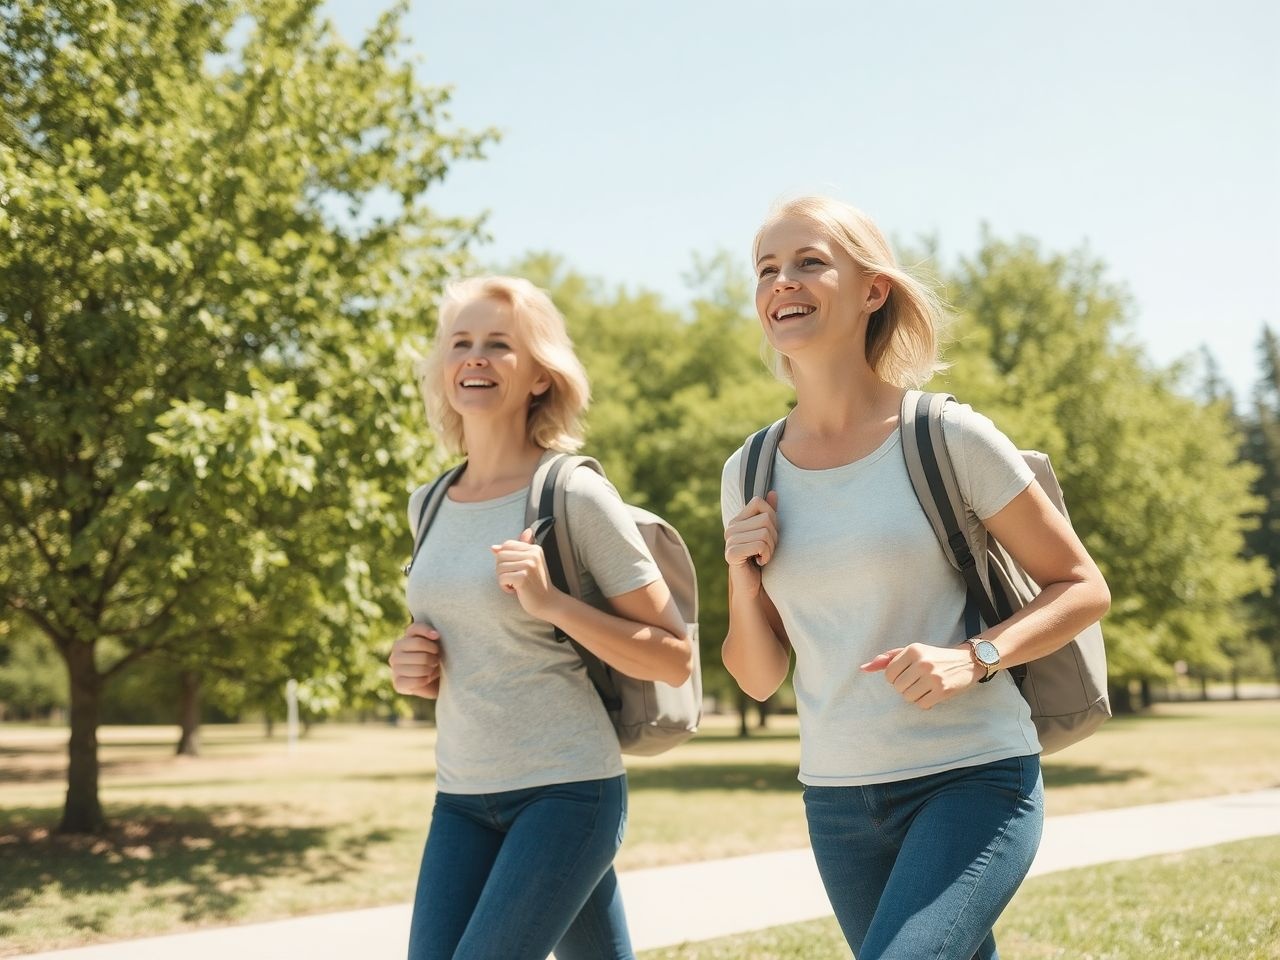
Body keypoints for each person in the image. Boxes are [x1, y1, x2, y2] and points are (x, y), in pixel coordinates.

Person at [720, 197, 1110, 960]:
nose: (781, 282)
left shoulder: (946, 435)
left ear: (873, 290)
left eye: (808, 262)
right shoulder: (750, 468)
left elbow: (1080, 585)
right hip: (836, 801)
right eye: (767, 268)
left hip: (970, 779)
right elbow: (759, 676)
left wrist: (975, 658)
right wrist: (741, 572)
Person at [390, 275, 693, 960]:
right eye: (461, 343)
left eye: (499, 345)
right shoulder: (428, 504)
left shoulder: (574, 493)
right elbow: (475, 645)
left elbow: (674, 655)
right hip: (462, 794)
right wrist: (412, 664)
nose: (475, 357)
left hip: (567, 791)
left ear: (537, 376)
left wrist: (553, 603)